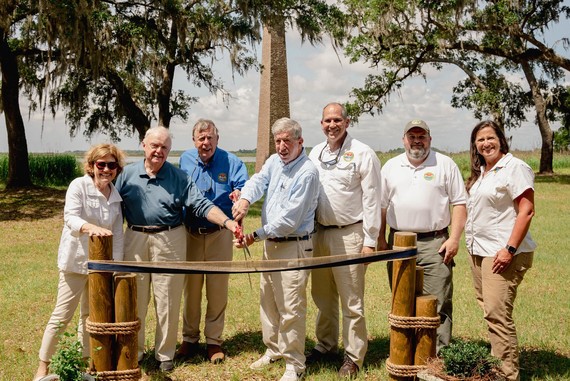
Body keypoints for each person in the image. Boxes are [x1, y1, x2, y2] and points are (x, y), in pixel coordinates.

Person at [115, 126, 239, 372]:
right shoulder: (125, 175)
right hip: (136, 238)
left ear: (169, 150)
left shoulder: (179, 177)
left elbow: (201, 204)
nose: (158, 151)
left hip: (169, 239)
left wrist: (227, 222)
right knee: (135, 297)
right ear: (144, 145)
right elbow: (109, 206)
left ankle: (164, 354)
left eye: (164, 147)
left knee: (168, 298)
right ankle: (135, 351)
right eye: (154, 146)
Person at [232, 117, 319, 381]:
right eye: (278, 141)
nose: (281, 146)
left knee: (291, 307)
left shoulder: (307, 172)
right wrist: (245, 201)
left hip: (294, 245)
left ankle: (295, 365)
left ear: (300, 142)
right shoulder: (274, 162)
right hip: (271, 246)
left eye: (287, 141)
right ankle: (273, 350)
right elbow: (258, 181)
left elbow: (289, 220)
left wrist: (254, 236)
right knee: (268, 300)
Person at [33, 144, 126, 381]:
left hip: (101, 267)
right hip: (75, 262)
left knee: (90, 318)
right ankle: (43, 367)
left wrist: (115, 267)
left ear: (117, 168)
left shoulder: (116, 197)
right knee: (62, 315)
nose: (106, 169)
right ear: (91, 165)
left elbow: (117, 235)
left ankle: (87, 364)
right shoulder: (78, 185)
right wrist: (91, 228)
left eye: (111, 165)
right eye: (101, 164)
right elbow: (70, 218)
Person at [307, 102, 382, 377]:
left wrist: (370, 240)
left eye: (337, 120)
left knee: (351, 300)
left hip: (351, 233)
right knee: (322, 296)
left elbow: (373, 198)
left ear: (347, 122)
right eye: (327, 120)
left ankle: (353, 355)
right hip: (320, 233)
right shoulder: (315, 153)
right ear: (321, 123)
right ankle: (325, 345)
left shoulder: (362, 153)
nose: (332, 125)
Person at [378, 119, 467, 352]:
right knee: (402, 300)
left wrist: (454, 239)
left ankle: (437, 356)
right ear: (403, 140)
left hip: (435, 242)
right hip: (399, 243)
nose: (417, 141)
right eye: (412, 136)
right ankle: (406, 352)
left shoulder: (445, 164)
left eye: (422, 136)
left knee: (437, 301)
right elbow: (381, 207)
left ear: (430, 139)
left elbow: (459, 203)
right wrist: (380, 240)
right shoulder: (390, 167)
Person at [465, 120, 536, 381]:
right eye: (480, 139)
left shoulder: (514, 167)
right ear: (475, 145)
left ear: (501, 139)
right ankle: (499, 366)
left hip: (502, 253)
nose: (486, 143)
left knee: (497, 313)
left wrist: (509, 249)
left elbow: (526, 210)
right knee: (490, 310)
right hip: (479, 251)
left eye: (490, 137)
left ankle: (507, 375)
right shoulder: (483, 171)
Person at [176, 119, 248, 363]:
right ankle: (189, 339)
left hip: (219, 233)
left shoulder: (232, 161)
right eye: (201, 138)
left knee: (217, 290)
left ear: (217, 139)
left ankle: (214, 341)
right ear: (194, 140)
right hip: (190, 234)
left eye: (210, 138)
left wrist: (239, 195)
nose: (205, 143)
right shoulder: (184, 160)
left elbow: (243, 189)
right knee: (191, 290)